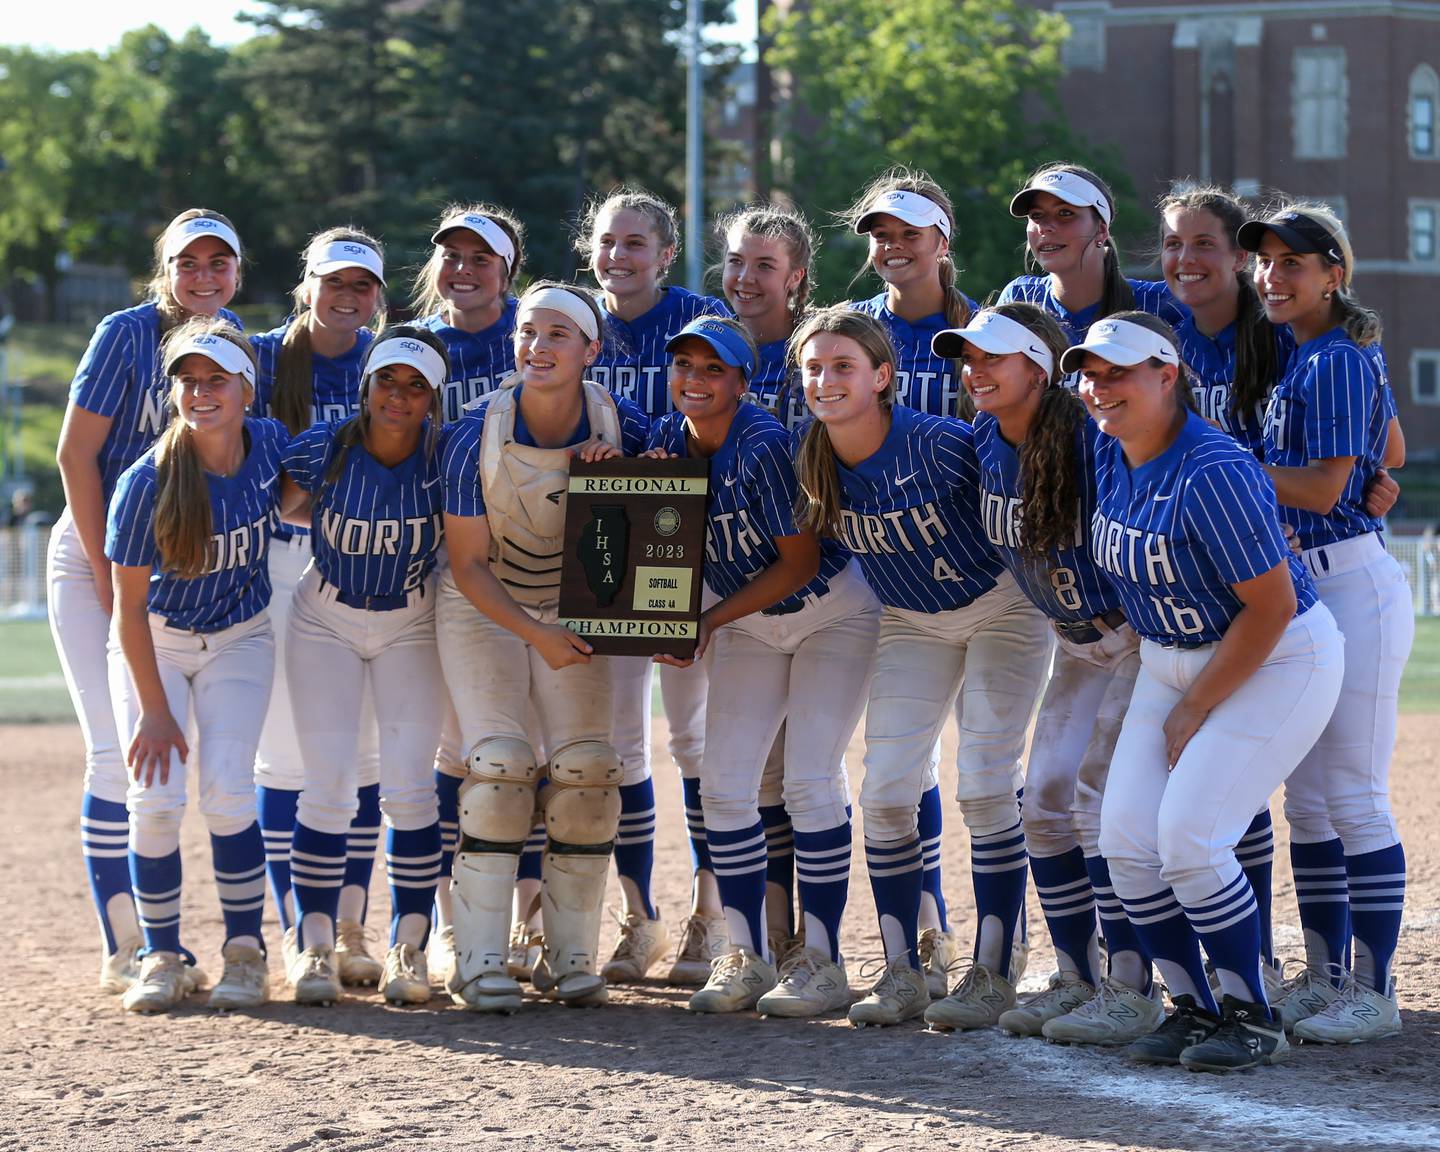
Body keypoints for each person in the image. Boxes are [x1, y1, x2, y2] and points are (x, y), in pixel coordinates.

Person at [1072, 312, 1344, 1072]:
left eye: (1118, 371)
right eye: (1091, 374)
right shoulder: (1107, 446)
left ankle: (1252, 1015)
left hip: (1278, 659)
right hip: (1169, 659)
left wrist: (1195, 707)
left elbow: (1273, 607)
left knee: (1190, 836)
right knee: (1126, 842)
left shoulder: (1212, 467)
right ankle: (1195, 1008)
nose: (1100, 388)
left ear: (1169, 375)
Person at [789, 307, 1052, 1028]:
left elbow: (1027, 494)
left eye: (843, 365)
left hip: (1003, 606)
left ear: (882, 375)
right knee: (885, 792)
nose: (825, 379)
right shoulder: (811, 454)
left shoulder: (939, 444)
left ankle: (997, 968)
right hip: (911, 620)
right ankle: (906, 970)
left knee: (988, 784)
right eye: (813, 367)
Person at [934, 303, 1158, 1044]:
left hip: (1134, 641)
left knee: (1095, 804)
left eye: (992, 357)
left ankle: (1131, 985)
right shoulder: (982, 438)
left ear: (1037, 366)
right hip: (1074, 643)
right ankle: (1075, 976)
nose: (975, 371)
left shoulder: (1089, 441)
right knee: (1044, 805)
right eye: (968, 358)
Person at [646, 316, 878, 1017]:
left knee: (808, 780)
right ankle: (743, 956)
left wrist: (707, 621)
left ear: (744, 383)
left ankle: (824, 960)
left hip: (830, 612)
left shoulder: (765, 444)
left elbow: (799, 562)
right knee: (723, 785)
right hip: (749, 617)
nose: (695, 378)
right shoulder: (665, 438)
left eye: (714, 369)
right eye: (684, 363)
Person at [437, 282, 649, 1012]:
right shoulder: (474, 432)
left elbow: (666, 517)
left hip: (574, 605)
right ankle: (478, 959)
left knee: (590, 773)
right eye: (529, 332)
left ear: (592, 350)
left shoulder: (625, 423)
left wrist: (623, 478)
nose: (539, 346)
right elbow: (466, 566)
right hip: (486, 604)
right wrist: (538, 635)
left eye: (559, 334)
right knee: (499, 768)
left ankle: (569, 957)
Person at [51, 208, 244, 994]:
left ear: (238, 271)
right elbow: (74, 455)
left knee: (205, 770)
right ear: (163, 269)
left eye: (217, 263)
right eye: (187, 263)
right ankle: (126, 944)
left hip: (182, 571)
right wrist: (103, 571)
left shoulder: (233, 338)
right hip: (98, 550)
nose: (202, 276)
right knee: (116, 752)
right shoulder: (126, 332)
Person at [1239, 206, 1416, 1043]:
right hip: (1311, 588)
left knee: (1351, 795)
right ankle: (1326, 977)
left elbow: (1318, 490)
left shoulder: (1337, 356)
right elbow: (1394, 451)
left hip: (1351, 584)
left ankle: (1375, 994)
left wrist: (1218, 462)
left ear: (1333, 274)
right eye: (1266, 262)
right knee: (1307, 803)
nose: (1274, 276)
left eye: (1294, 263)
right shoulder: (1313, 354)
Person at [105, 319, 285, 1012]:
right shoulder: (145, 481)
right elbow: (125, 611)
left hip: (240, 638)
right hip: (159, 642)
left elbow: (299, 494)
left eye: (216, 379)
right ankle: (162, 954)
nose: (201, 392)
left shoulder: (268, 444)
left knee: (229, 794)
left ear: (246, 387)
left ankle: (245, 953)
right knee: (154, 800)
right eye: (188, 380)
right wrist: (153, 709)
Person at [577, 188, 729, 982]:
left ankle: (710, 915)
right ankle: (640, 920)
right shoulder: (572, 322)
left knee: (696, 741)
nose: (618, 257)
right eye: (607, 242)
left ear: (666, 255)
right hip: (604, 547)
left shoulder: (701, 320)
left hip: (687, 545)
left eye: (636, 244)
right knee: (620, 745)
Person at [279, 326, 449, 1007]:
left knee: (410, 789)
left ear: (433, 400)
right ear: (365, 385)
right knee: (327, 788)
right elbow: (289, 505)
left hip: (412, 618)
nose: (398, 397)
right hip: (324, 615)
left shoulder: (447, 453)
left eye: (415, 387)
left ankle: (409, 943)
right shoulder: (324, 445)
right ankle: (314, 939)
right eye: (387, 381)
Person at [250, 228, 389, 989]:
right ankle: (303, 934)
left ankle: (352, 927)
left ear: (378, 296)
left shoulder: (387, 361)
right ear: (306, 284)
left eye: (361, 285)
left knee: (359, 760)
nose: (346, 296)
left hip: (366, 567)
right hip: (276, 566)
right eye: (333, 281)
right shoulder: (264, 357)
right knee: (287, 761)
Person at [411, 204, 525, 986]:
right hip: (442, 570)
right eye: (451, 255)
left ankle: (535, 921)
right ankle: (456, 925)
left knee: (549, 759)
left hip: (540, 565)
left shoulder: (535, 331)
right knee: (460, 754)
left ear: (507, 270)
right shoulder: (416, 345)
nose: (463, 268)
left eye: (480, 257)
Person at [1000, 164, 1186, 352]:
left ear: (1101, 230)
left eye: (1065, 213)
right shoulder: (1019, 297)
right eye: (1036, 215)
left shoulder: (1160, 304)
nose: (1045, 227)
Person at [844, 168, 977, 417]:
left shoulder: (978, 329)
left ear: (943, 244)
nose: (893, 244)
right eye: (881, 235)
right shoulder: (850, 325)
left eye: (911, 233)